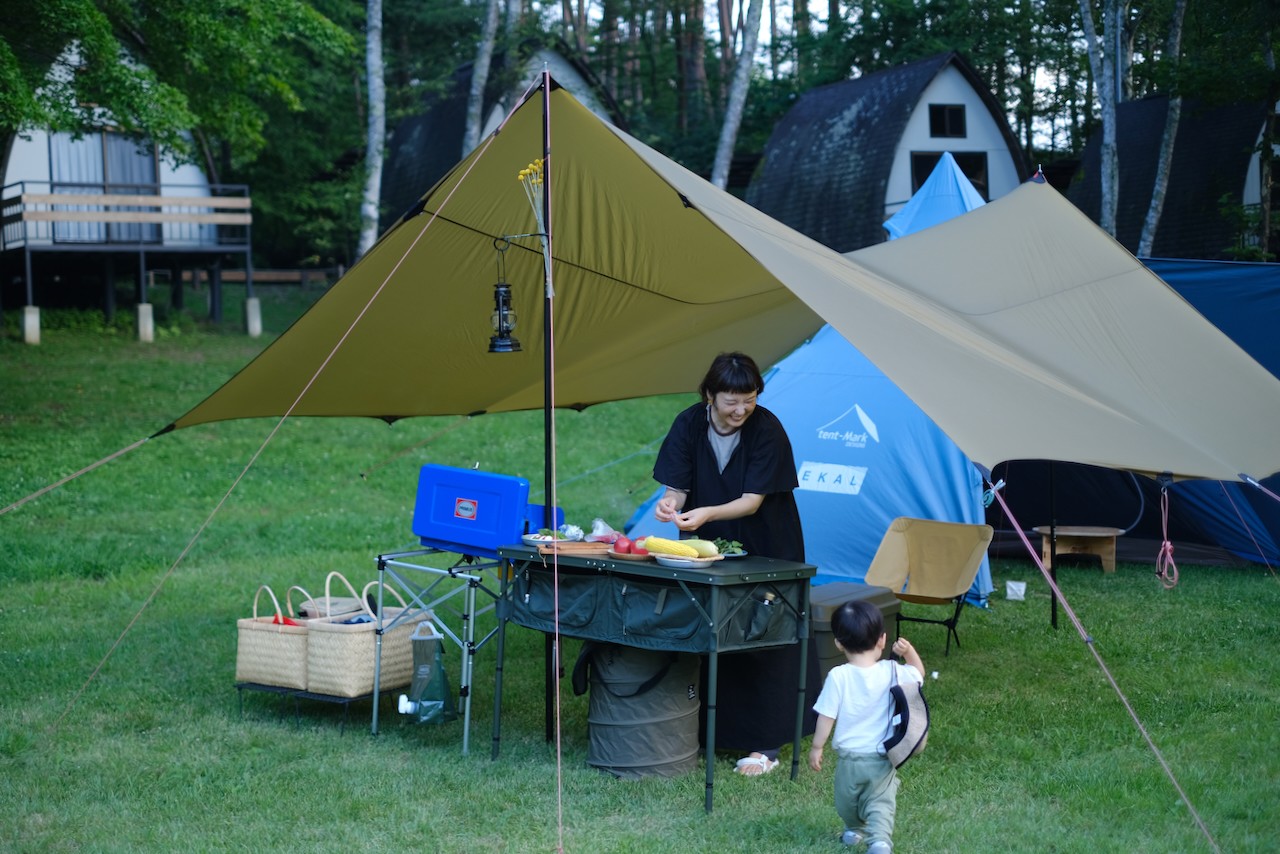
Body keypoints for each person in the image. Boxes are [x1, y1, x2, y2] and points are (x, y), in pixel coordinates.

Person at [652, 351, 812, 776]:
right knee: (711, 629)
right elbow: (677, 488)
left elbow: (751, 502)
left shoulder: (768, 429)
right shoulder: (688, 423)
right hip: (707, 548)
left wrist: (703, 515)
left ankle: (766, 744)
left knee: (764, 634)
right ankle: (708, 733)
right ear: (709, 395)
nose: (741, 409)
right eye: (731, 401)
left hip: (768, 544)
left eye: (750, 399)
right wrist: (671, 505)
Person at [808, 599, 925, 852]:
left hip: (849, 760)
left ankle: (853, 830)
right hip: (883, 757)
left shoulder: (838, 676)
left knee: (846, 800)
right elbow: (918, 674)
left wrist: (817, 747)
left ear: (838, 643)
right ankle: (880, 840)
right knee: (880, 801)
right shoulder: (894, 670)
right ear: (882, 640)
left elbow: (826, 716)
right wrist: (909, 652)